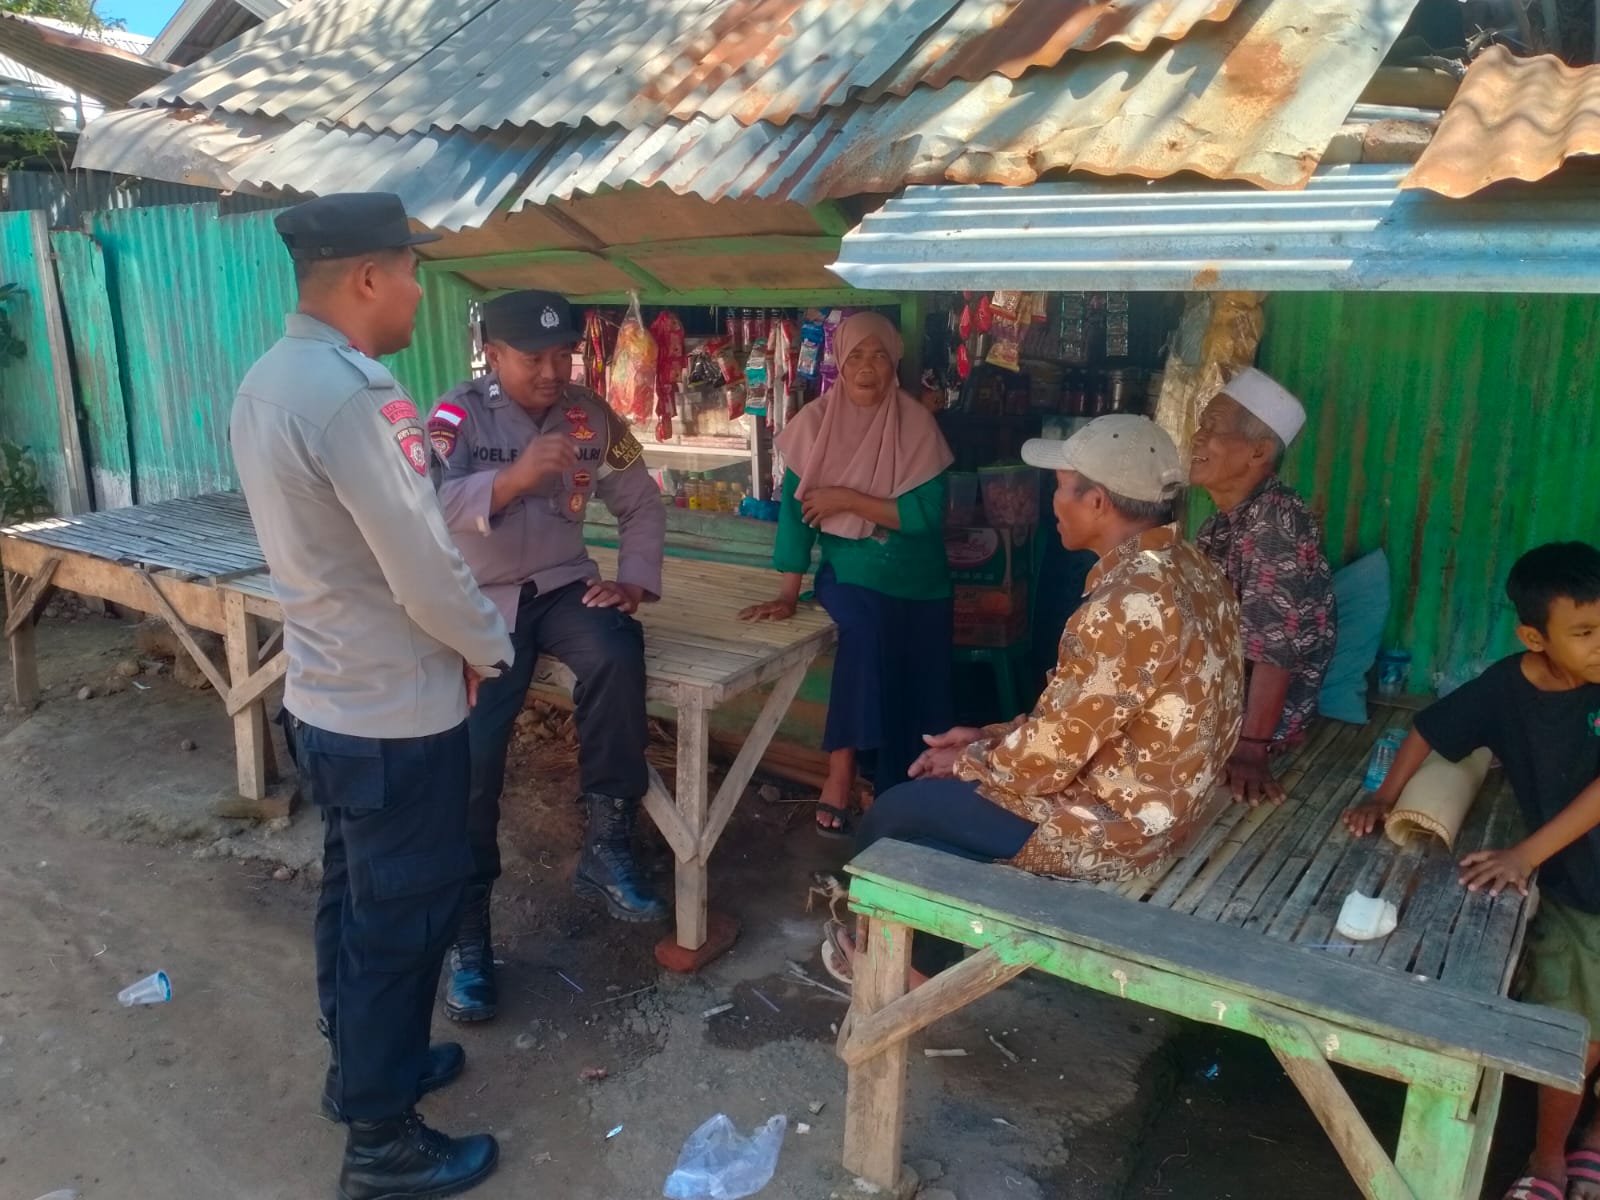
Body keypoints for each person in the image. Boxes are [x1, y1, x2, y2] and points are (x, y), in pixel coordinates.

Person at [231, 193, 514, 1200]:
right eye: (409, 272)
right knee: (403, 921)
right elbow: (423, 563)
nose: (417, 291)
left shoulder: (268, 380)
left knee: (354, 900)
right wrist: (489, 648)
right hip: (395, 714)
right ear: (365, 278)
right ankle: (382, 1142)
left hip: (327, 697)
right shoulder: (357, 396)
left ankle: (362, 1071)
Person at [824, 416, 1244, 983]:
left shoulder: (1129, 603)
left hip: (1121, 831)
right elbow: (1088, 715)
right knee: (927, 821)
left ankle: (897, 977)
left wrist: (969, 760)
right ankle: (912, 965)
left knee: (898, 813)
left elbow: (1047, 759)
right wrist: (987, 737)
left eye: (1062, 487)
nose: (1053, 503)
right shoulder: (1192, 569)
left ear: (1098, 502)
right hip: (1162, 805)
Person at [428, 289, 668, 1024]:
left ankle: (607, 842)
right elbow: (421, 503)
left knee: (617, 651)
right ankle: (467, 936)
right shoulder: (456, 416)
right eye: (533, 357)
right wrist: (512, 479)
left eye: (563, 354)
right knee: (473, 757)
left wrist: (633, 581)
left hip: (564, 586)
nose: (552, 371)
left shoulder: (594, 418)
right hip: (480, 599)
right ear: (493, 354)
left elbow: (640, 499)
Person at [1343, 543, 1600, 1200]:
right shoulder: (1509, 686)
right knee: (1574, 1026)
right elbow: (1431, 729)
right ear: (1534, 638)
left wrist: (1524, 855)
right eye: (1585, 632)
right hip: (1584, 887)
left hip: (1568, 866)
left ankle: (1594, 1137)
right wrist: (1385, 796)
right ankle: (1548, 1156)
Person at [739, 312, 954, 836]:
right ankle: (840, 771)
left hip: (922, 580)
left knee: (922, 680)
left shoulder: (917, 425)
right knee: (864, 631)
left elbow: (926, 516)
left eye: (878, 356)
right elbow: (796, 519)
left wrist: (847, 499)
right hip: (852, 572)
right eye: (855, 356)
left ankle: (904, 789)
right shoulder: (814, 425)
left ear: (894, 362)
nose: (867, 368)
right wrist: (788, 592)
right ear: (839, 362)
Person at [1190, 367, 1336, 806]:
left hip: (1248, 726)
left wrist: (1251, 747)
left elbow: (1273, 648)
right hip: (1216, 701)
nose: (1197, 437)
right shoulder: (1221, 522)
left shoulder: (1276, 522)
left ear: (1259, 452)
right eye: (1201, 425)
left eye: (1213, 427)